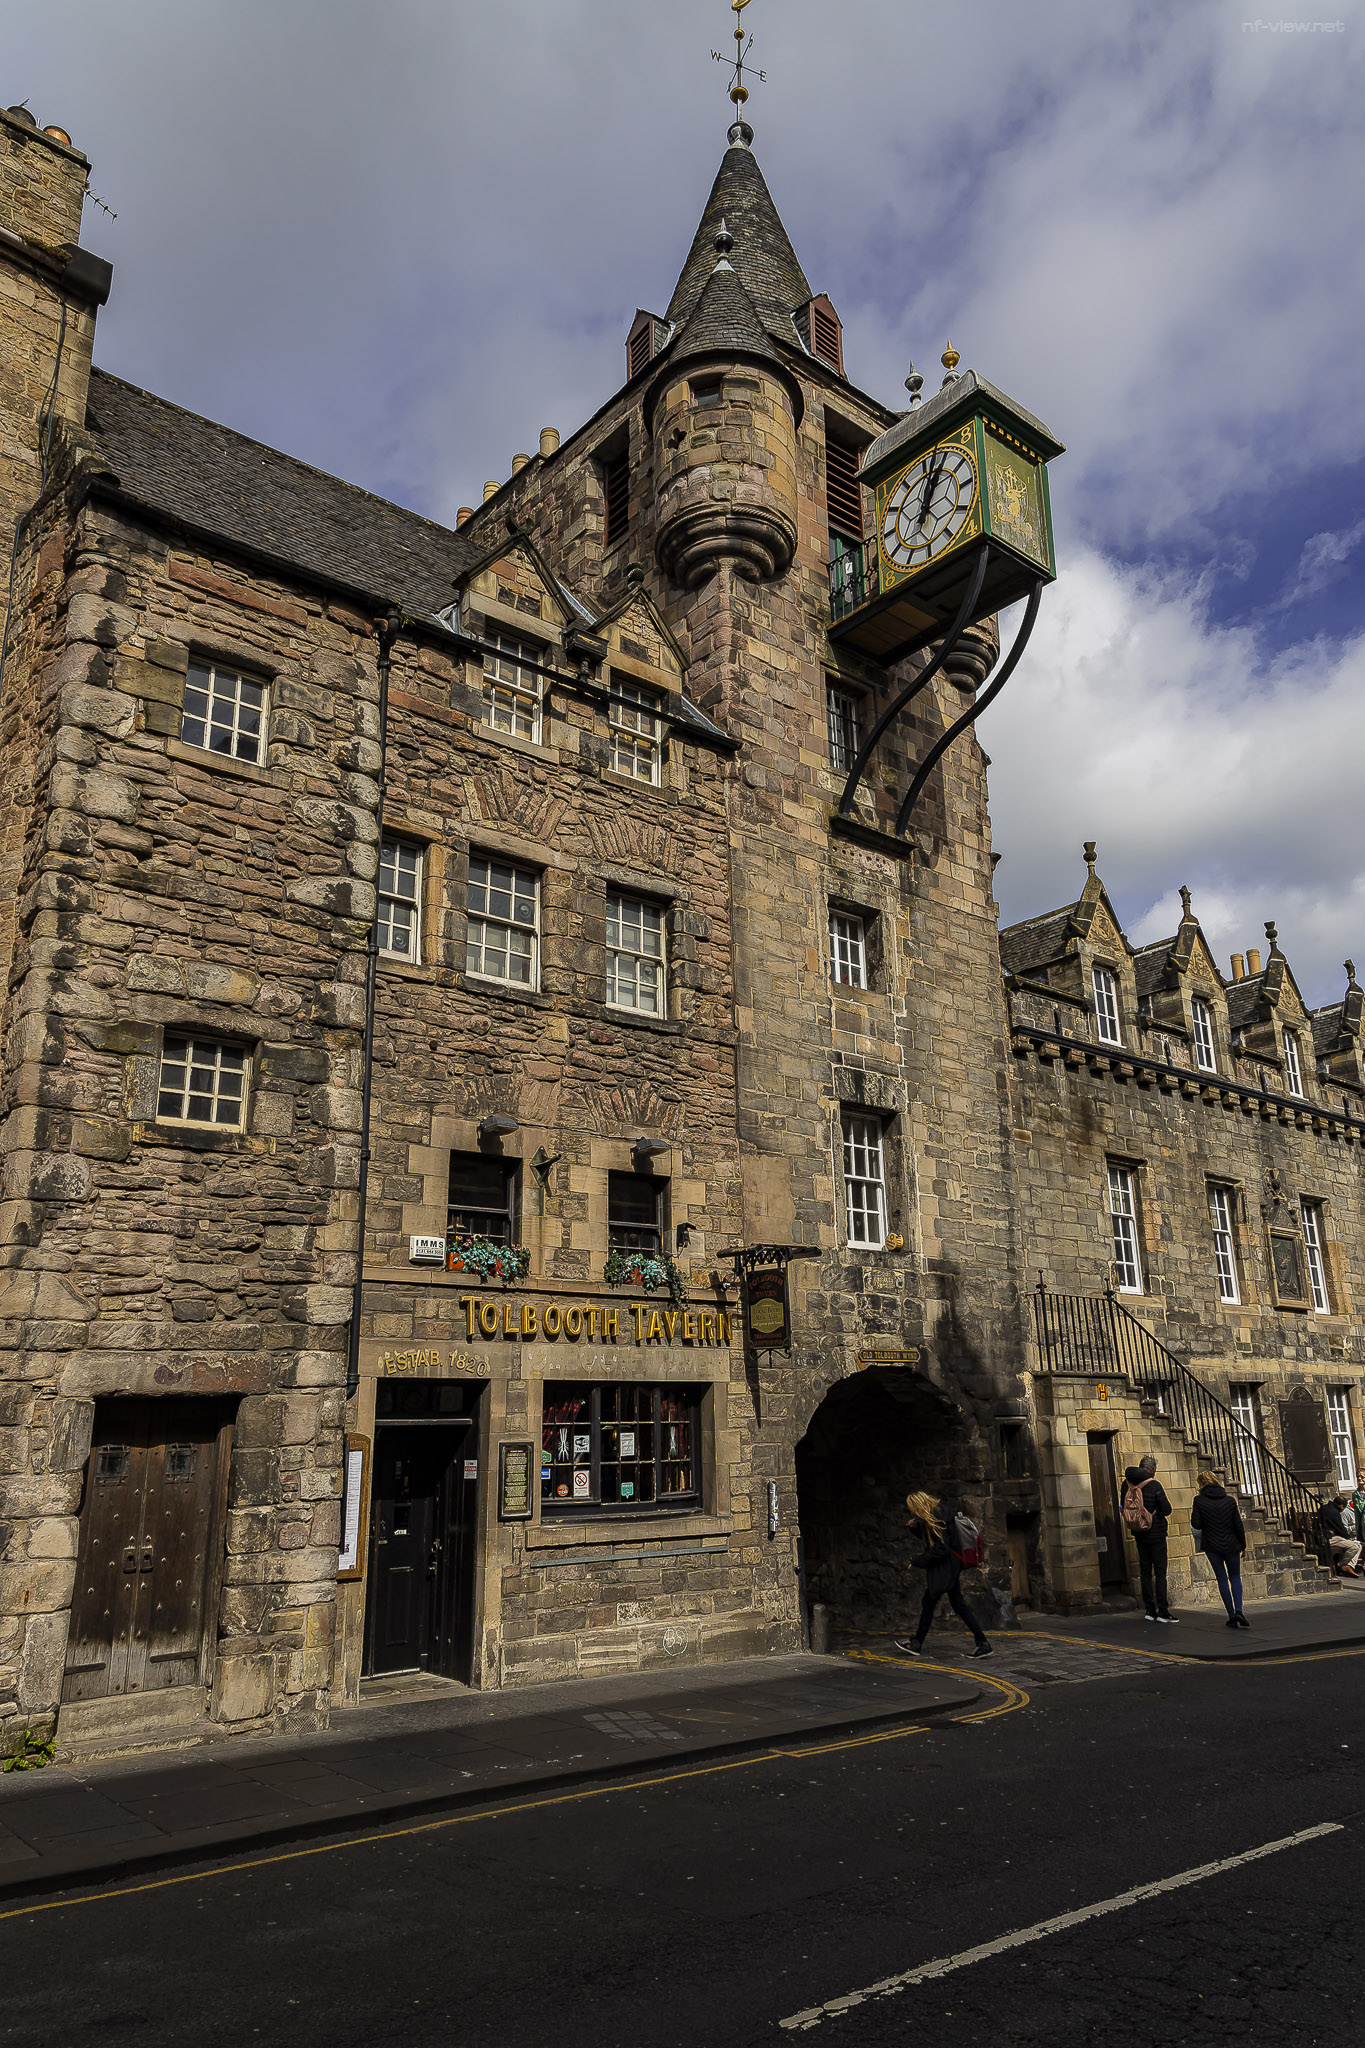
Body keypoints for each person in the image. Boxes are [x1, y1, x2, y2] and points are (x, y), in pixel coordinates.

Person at [894, 1490, 993, 1659]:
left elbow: (941, 1548)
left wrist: (917, 1560)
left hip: (944, 1569)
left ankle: (917, 1643)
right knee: (954, 1604)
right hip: (949, 1568)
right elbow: (933, 1539)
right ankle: (982, 1643)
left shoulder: (935, 1518)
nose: (912, 1512)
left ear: (918, 1505)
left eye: (913, 1508)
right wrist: (915, 1528)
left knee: (932, 1602)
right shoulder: (938, 1513)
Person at [1123, 1453, 1180, 1624]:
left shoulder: (1126, 1485)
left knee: (1145, 1571)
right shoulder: (1154, 1484)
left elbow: (1123, 1507)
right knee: (1160, 1572)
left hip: (1139, 1533)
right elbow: (1167, 1509)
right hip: (1156, 1533)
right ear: (1151, 1470)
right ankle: (1163, 1610)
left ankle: (1149, 1609)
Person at [1190, 1469, 1249, 1628]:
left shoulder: (1199, 1500)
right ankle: (1239, 1611)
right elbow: (1238, 1525)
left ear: (1201, 1484)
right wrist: (1243, 1545)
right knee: (1235, 1577)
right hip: (1231, 1544)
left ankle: (1231, 1616)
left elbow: (1196, 1523)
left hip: (1212, 1545)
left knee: (1222, 1578)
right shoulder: (1230, 1500)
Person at [1320, 1494, 1363, 1576]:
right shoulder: (1334, 1512)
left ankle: (1349, 1566)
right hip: (1329, 1538)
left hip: (1327, 1536)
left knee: (1357, 1545)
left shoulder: (1325, 1508)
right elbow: (1340, 1528)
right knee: (1355, 1546)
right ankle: (1342, 1565)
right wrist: (1347, 1538)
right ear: (1341, 1506)